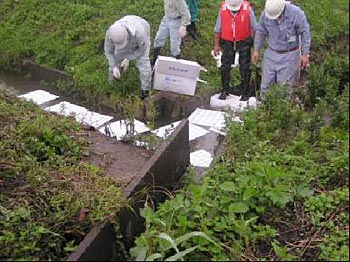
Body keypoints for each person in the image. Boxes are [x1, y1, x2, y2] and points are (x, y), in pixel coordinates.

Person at [252, 0, 311, 99]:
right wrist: (256, 49)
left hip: (290, 54)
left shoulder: (296, 13)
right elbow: (261, 31)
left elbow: (305, 32)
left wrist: (305, 54)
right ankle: (264, 109)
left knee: (285, 88)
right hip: (271, 54)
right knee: (265, 86)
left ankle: (283, 110)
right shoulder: (266, 14)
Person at [213, 0, 257, 101]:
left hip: (244, 41)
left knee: (245, 67)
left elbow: (255, 28)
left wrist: (256, 47)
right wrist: (216, 45)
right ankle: (225, 89)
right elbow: (217, 29)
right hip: (227, 41)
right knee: (225, 66)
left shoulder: (248, 10)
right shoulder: (223, 10)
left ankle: (245, 91)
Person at [104, 15, 152, 100]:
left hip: (141, 31)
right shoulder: (110, 34)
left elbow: (141, 51)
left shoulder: (140, 33)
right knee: (117, 57)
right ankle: (112, 85)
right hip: (126, 34)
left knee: (143, 62)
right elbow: (109, 52)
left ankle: (145, 90)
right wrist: (114, 66)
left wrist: (128, 58)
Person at [152, 0, 191, 65]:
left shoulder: (179, 1)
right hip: (166, 18)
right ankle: (155, 59)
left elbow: (186, 14)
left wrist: (183, 26)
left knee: (174, 45)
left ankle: (175, 63)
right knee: (158, 38)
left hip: (176, 21)